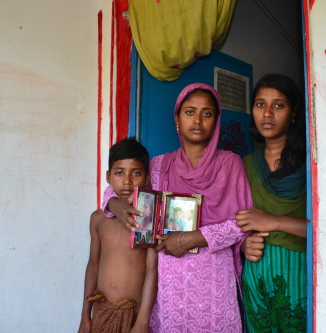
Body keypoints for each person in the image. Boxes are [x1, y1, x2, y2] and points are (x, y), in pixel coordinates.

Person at [102, 83, 253, 332]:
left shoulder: (230, 164)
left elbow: (243, 223)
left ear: (216, 121)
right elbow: (123, 185)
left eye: (207, 113)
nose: (198, 120)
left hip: (213, 278)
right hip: (170, 280)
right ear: (177, 118)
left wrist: (191, 238)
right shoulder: (160, 165)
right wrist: (115, 203)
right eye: (190, 111)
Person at [236, 74, 308, 332]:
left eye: (278, 105)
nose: (267, 113)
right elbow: (233, 223)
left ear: (293, 113)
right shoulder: (245, 165)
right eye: (260, 104)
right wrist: (243, 244)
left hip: (300, 272)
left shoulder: (312, 165)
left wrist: (272, 221)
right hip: (257, 273)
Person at [78, 138, 158, 333]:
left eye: (136, 173)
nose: (127, 181)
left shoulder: (148, 220)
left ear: (147, 178)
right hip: (102, 311)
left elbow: (151, 270)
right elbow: (93, 266)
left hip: (135, 313)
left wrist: (142, 322)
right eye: (119, 173)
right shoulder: (98, 219)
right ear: (108, 176)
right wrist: (85, 317)